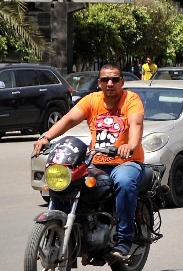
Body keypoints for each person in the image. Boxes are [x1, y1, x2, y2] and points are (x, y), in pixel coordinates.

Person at [33, 63, 146, 260]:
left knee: (125, 182)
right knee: (67, 181)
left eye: (114, 79)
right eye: (105, 80)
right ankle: (63, 230)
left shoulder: (131, 99)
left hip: (125, 162)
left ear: (122, 82)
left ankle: (124, 240)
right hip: (97, 163)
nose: (110, 83)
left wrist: (131, 145)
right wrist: (46, 137)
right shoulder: (92, 100)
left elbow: (136, 123)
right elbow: (69, 119)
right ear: (99, 83)